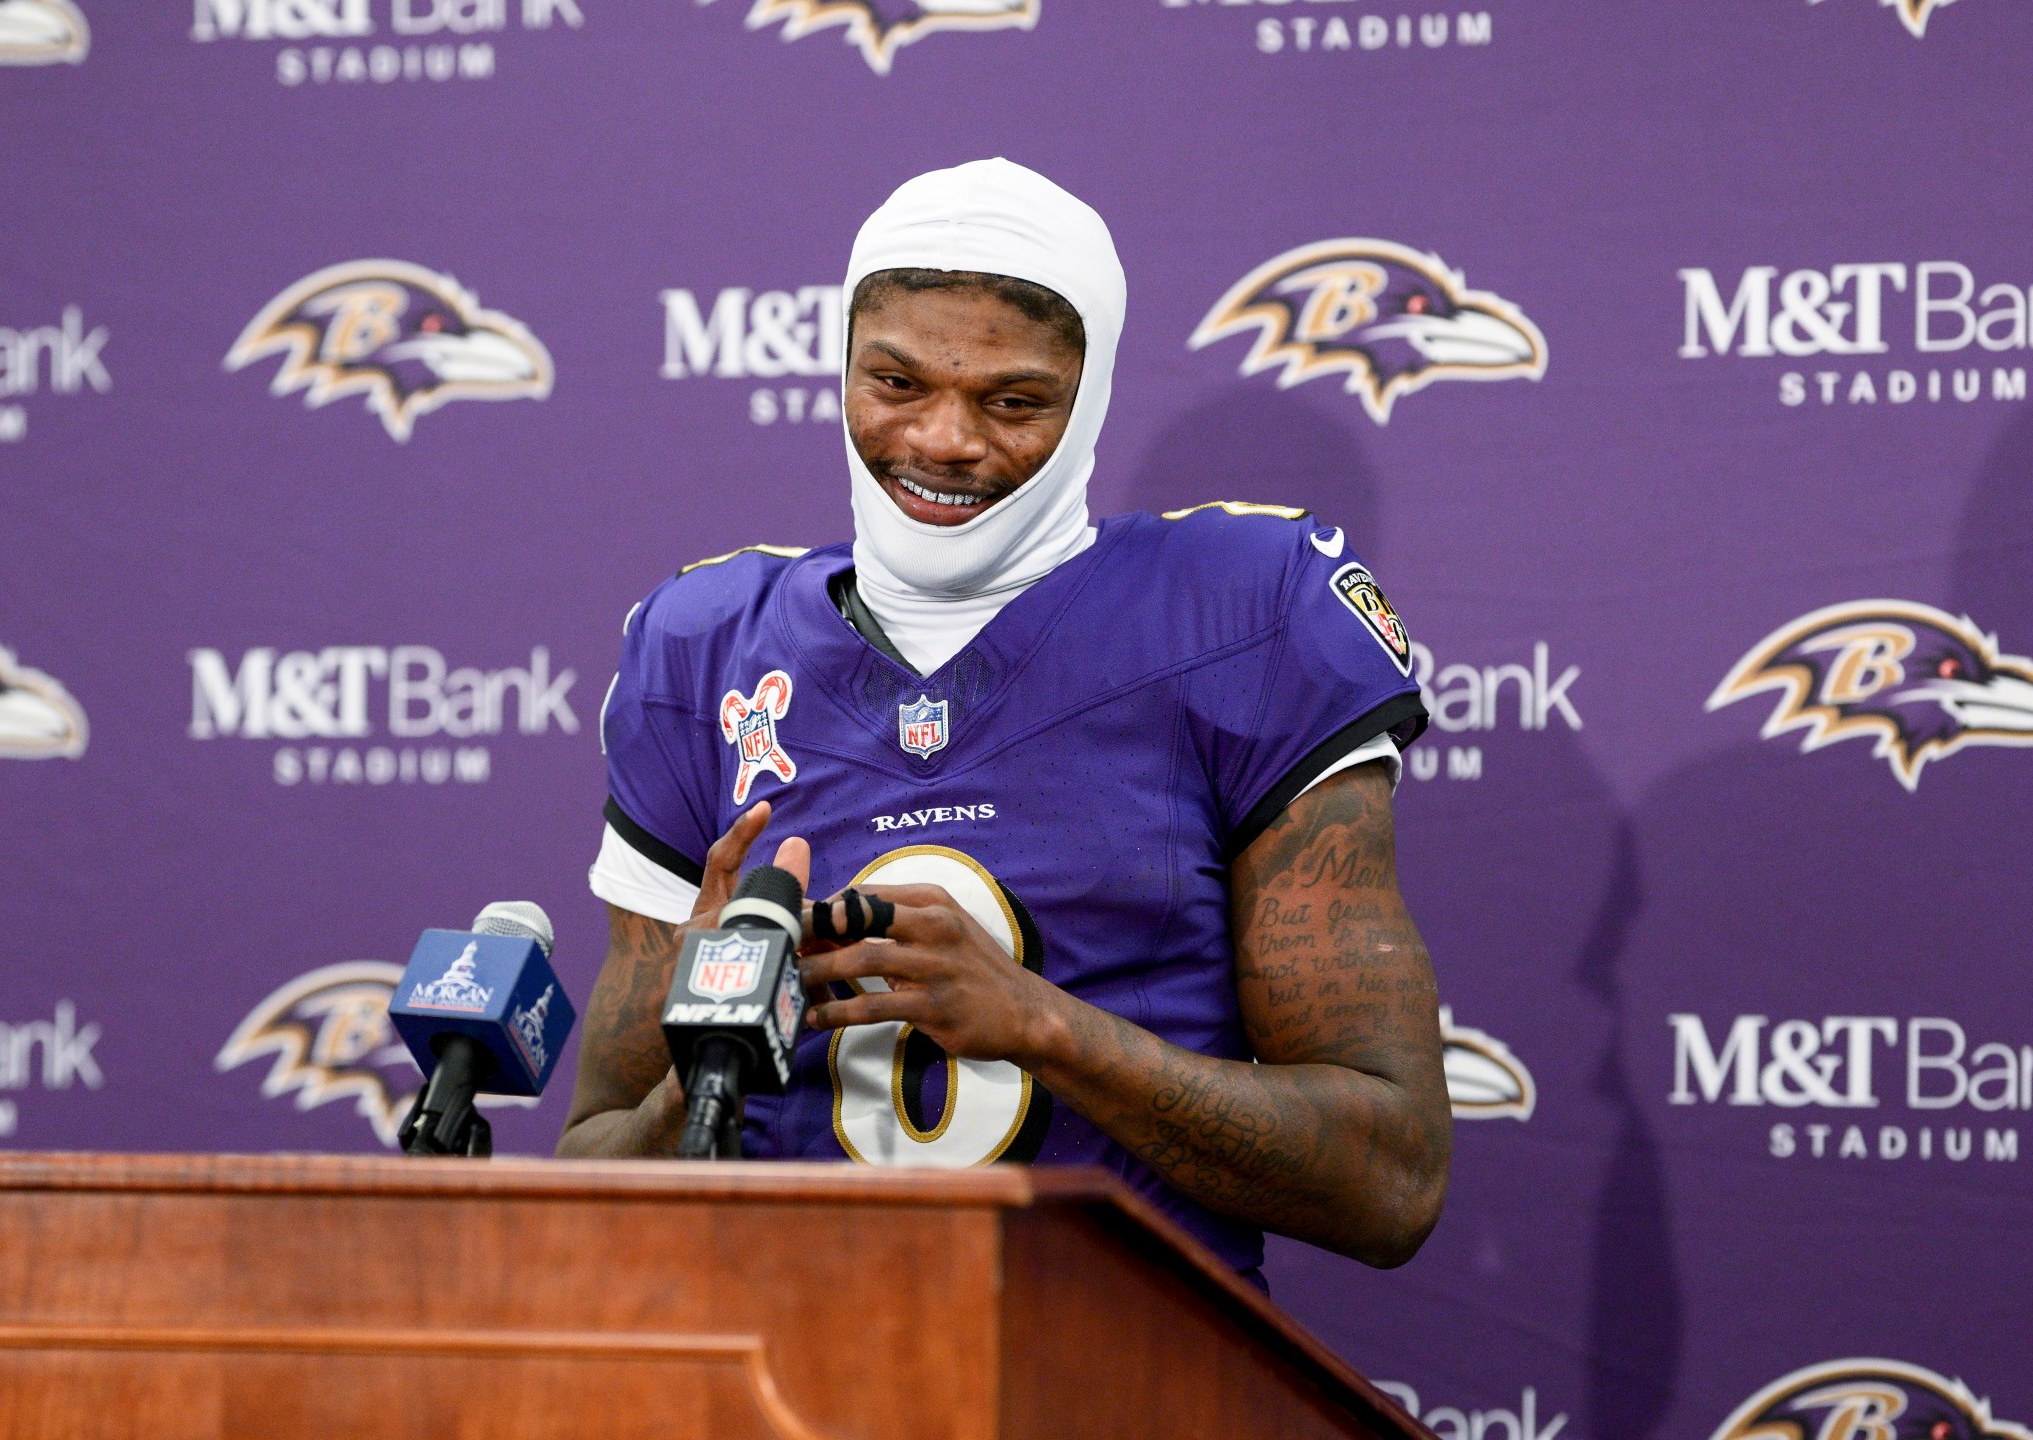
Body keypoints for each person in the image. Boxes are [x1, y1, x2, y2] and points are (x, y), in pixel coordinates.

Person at [560, 158, 1450, 1276]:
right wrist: (711, 1058)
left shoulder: (1244, 609)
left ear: (1095, 396)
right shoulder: (705, 646)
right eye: (895, 383)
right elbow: (593, 1164)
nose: (941, 440)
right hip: (789, 1371)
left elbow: (1390, 1179)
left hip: (1117, 1374)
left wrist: (1044, 1027)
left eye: (1011, 400)